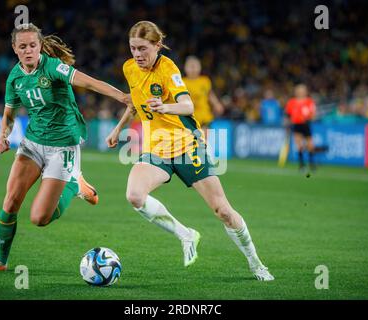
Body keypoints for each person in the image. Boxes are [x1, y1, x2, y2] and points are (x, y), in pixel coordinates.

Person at [106, 21, 274, 281]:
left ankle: (255, 263)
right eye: (133, 48)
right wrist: (118, 130)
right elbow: (134, 103)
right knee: (135, 195)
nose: (137, 55)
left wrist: (165, 107)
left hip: (186, 145)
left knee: (223, 211)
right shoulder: (130, 68)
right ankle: (185, 234)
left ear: (157, 45)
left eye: (143, 49)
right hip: (156, 147)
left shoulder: (168, 68)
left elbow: (187, 106)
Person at [0, 23, 130, 273]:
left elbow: (88, 83)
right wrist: (3, 136)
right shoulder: (14, 77)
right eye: (22, 46)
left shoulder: (53, 67)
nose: (28, 51)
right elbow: (9, 114)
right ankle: (0, 261)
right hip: (33, 143)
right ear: (14, 48)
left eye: (33, 45)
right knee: (11, 200)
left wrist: (122, 97)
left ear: (40, 46)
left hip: (63, 145)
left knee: (39, 218)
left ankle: (74, 184)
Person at [183, 55, 224, 131]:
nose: (193, 69)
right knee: (192, 141)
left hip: (205, 117)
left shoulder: (205, 81)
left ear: (200, 67)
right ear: (185, 68)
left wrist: (216, 104)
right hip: (189, 118)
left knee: (202, 140)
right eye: (191, 66)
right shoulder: (182, 82)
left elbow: (210, 94)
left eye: (195, 66)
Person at [285, 84, 317, 172]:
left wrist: (309, 118)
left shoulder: (309, 101)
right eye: (299, 90)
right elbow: (288, 115)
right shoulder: (292, 102)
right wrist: (287, 124)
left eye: (303, 90)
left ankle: (311, 164)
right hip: (296, 125)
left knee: (310, 145)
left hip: (306, 125)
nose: (301, 92)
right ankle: (302, 165)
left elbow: (313, 114)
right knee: (299, 145)